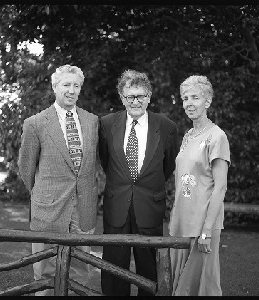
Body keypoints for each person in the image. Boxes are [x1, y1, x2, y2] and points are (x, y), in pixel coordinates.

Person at [18, 64, 99, 296]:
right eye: (66, 84)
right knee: (44, 271)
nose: (71, 90)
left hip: (83, 207)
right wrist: (43, 194)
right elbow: (26, 169)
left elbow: (94, 164)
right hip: (48, 208)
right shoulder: (36, 123)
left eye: (76, 85)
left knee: (80, 270)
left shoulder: (92, 121)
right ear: (55, 87)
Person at [99, 69, 178, 296]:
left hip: (150, 204)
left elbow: (167, 166)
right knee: (114, 265)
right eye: (130, 96)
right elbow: (108, 162)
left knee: (149, 268)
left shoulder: (166, 126)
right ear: (122, 98)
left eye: (141, 96)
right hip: (117, 205)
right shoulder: (106, 124)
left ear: (149, 96)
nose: (135, 101)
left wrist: (146, 185)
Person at [168, 75, 230, 296]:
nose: (189, 103)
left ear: (208, 101)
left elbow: (220, 187)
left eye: (195, 97)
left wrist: (206, 232)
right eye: (185, 98)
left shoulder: (217, 136)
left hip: (203, 222)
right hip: (181, 221)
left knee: (201, 286)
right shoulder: (188, 136)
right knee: (178, 284)